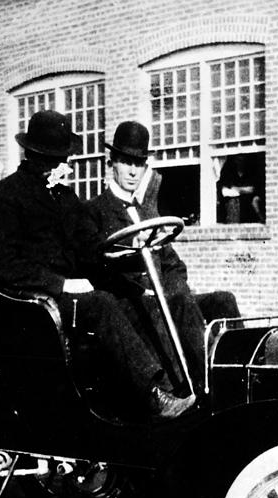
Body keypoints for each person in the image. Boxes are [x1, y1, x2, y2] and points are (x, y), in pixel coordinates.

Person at [0, 109, 193, 419]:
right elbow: (2, 265)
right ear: (36, 155)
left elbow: (90, 249)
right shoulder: (4, 196)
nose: (64, 164)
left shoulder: (65, 198)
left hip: (74, 295)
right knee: (102, 304)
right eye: (57, 158)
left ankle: (178, 388)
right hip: (34, 305)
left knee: (137, 299)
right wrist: (61, 284)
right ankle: (153, 395)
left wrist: (125, 273)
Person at [85, 121, 240, 392]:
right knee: (168, 304)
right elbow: (96, 265)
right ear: (112, 164)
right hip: (130, 304)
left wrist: (174, 290)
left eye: (139, 163)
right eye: (126, 162)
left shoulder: (148, 213)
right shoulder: (94, 211)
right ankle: (193, 388)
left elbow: (174, 265)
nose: (133, 170)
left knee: (223, 300)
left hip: (166, 298)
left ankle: (239, 372)